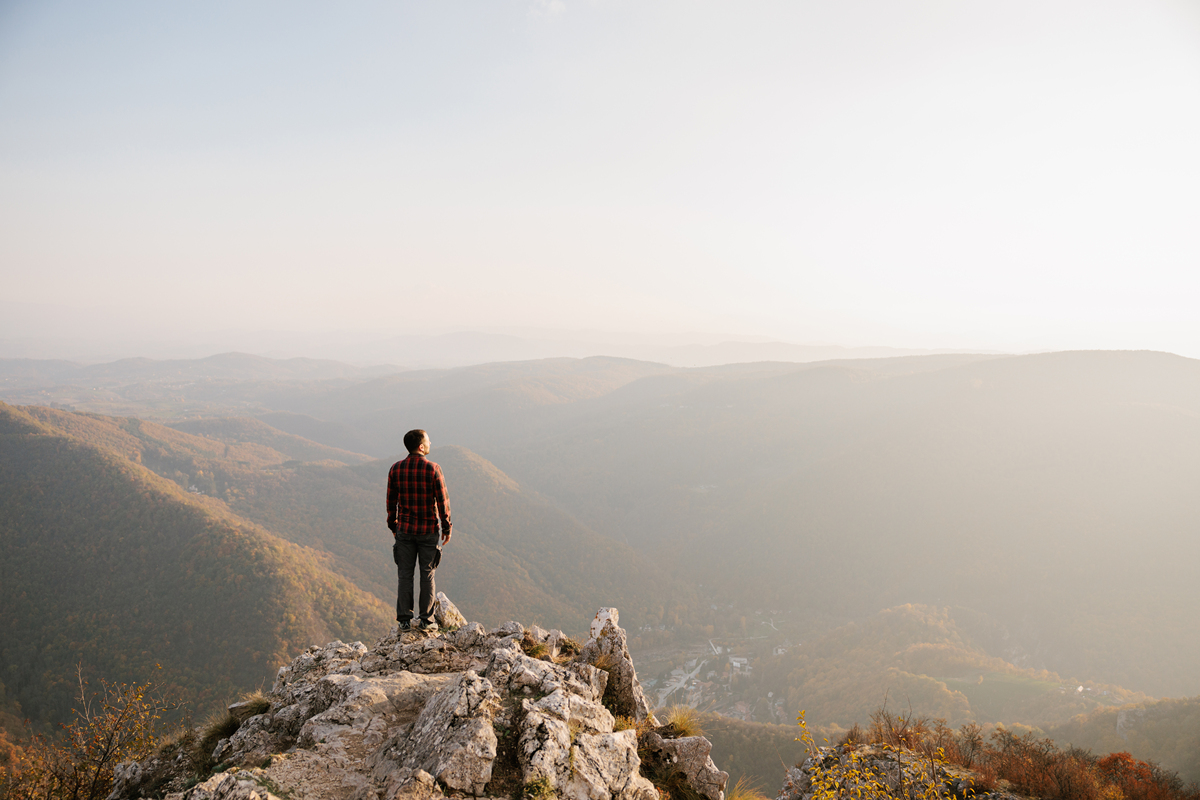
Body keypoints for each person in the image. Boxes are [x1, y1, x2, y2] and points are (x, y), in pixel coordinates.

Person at [386, 428, 452, 632]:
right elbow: (443, 501)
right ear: (421, 446)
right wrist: (446, 527)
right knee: (427, 574)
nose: (431, 443)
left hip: (404, 530)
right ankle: (426, 620)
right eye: (429, 441)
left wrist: (394, 526)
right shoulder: (433, 469)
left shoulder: (395, 469)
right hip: (428, 530)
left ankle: (404, 620)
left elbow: (391, 502)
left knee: (405, 575)